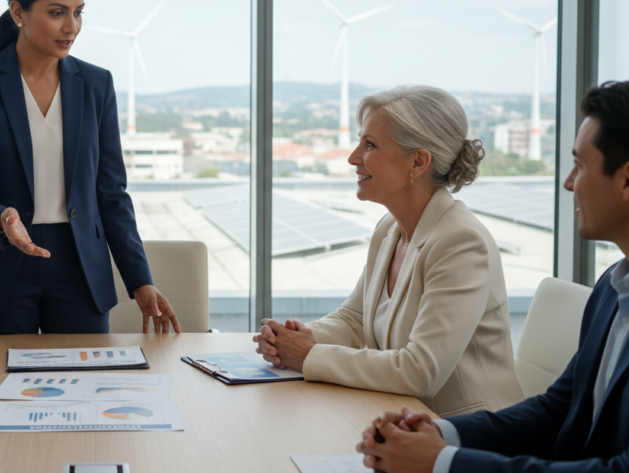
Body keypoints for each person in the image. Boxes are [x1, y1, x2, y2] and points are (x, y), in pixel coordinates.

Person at [356, 80, 629, 473]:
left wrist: (443, 461)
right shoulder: (612, 288)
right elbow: (559, 409)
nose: (568, 182)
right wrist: (440, 432)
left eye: (581, 165)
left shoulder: (459, 237)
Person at [0, 0, 180, 334]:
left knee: (84, 370)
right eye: (56, 12)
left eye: (78, 12)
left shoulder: (96, 85)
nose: (71, 27)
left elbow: (111, 194)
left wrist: (139, 279)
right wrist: (1, 218)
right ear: (18, 12)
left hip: (79, 266)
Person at [253, 86, 524, 416]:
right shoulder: (390, 229)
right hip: (406, 420)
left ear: (418, 161)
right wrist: (294, 339)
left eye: (370, 144)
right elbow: (355, 319)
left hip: (471, 432)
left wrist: (308, 354)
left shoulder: (461, 242)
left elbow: (421, 371)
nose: (353, 157)